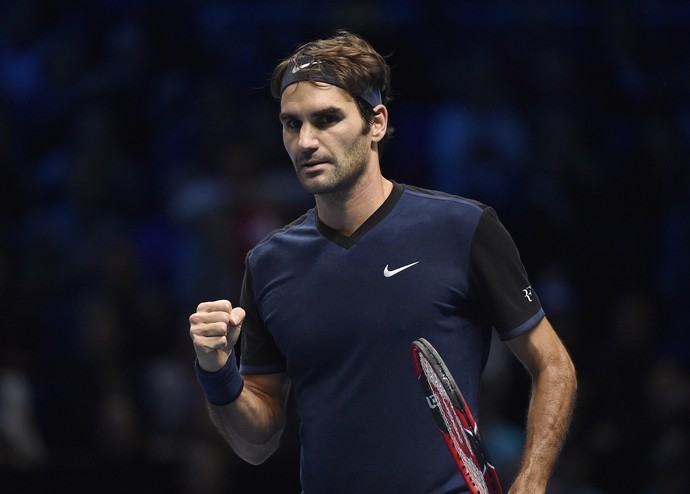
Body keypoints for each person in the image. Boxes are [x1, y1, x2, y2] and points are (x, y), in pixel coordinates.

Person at [188, 30, 577, 494]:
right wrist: (217, 374)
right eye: (291, 124)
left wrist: (531, 482)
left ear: (376, 122)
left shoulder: (463, 228)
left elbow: (554, 365)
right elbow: (258, 443)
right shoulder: (269, 264)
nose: (305, 141)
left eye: (326, 119)